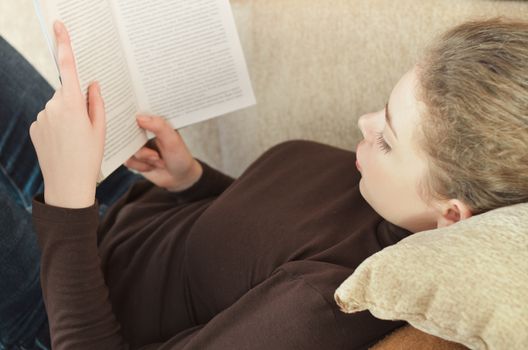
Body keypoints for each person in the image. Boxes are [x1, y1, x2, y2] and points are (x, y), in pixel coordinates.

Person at [1, 16, 527, 350]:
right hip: (123, 205)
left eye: (387, 138)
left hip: (57, 309)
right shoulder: (392, 194)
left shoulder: (325, 306)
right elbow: (267, 243)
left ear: (452, 216)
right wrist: (193, 180)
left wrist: (69, 201)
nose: (365, 124)